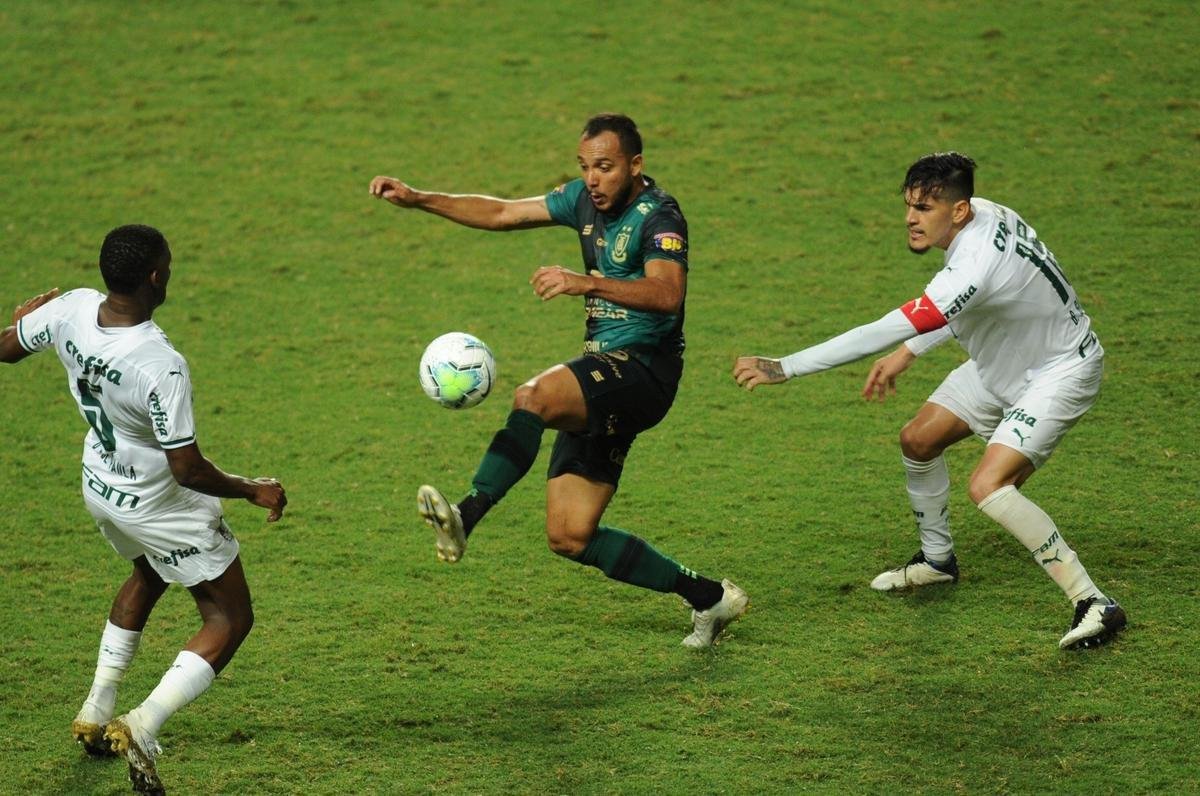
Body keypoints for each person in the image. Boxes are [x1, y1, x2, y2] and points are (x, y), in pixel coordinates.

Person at [369, 113, 747, 648]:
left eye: (605, 167)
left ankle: (467, 514)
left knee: (535, 396)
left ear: (635, 166)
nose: (592, 179)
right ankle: (710, 597)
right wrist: (419, 198)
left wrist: (584, 282)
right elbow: (502, 211)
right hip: (606, 375)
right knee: (570, 536)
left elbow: (667, 296)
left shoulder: (660, 217)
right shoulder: (582, 201)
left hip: (644, 372)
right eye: (585, 167)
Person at [733, 152, 1126, 650]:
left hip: (1058, 372)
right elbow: (961, 308)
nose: (911, 219)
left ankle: (1094, 601)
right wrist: (911, 351)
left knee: (989, 485)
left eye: (924, 208)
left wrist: (786, 365)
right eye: (909, 205)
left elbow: (883, 327)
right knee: (918, 439)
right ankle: (937, 563)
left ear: (958, 210)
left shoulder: (975, 262)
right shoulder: (984, 212)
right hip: (1002, 364)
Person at [0, 225, 287, 794]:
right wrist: (252, 488)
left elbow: (6, 348)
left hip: (102, 488)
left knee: (149, 571)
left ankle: (96, 707)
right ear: (156, 276)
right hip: (160, 502)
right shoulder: (160, 363)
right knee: (229, 618)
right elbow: (189, 470)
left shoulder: (72, 309)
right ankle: (144, 725)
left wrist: (25, 322)